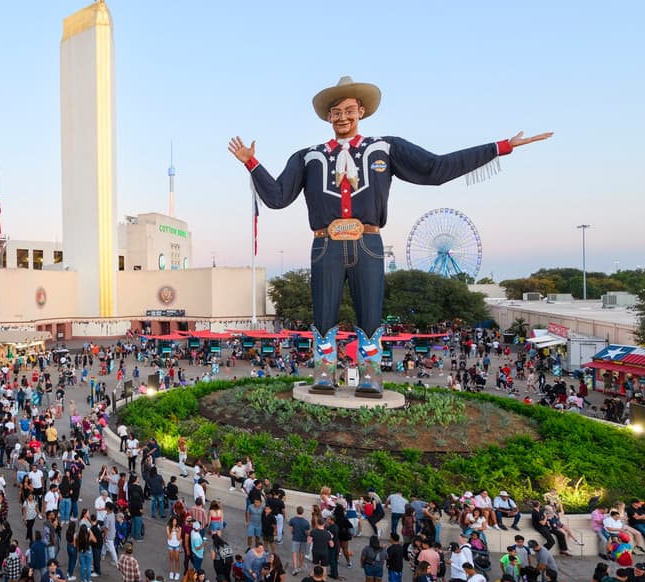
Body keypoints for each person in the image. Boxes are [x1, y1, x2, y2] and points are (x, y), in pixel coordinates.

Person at [229, 76, 550, 396]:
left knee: (371, 312)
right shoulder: (308, 156)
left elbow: (436, 168)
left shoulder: (385, 148)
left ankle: (370, 378)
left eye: (349, 110)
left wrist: (500, 147)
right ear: (328, 117)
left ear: (362, 111)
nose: (342, 117)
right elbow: (277, 197)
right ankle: (323, 375)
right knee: (323, 314)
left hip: (368, 241)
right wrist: (251, 163)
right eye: (336, 112)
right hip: (324, 243)